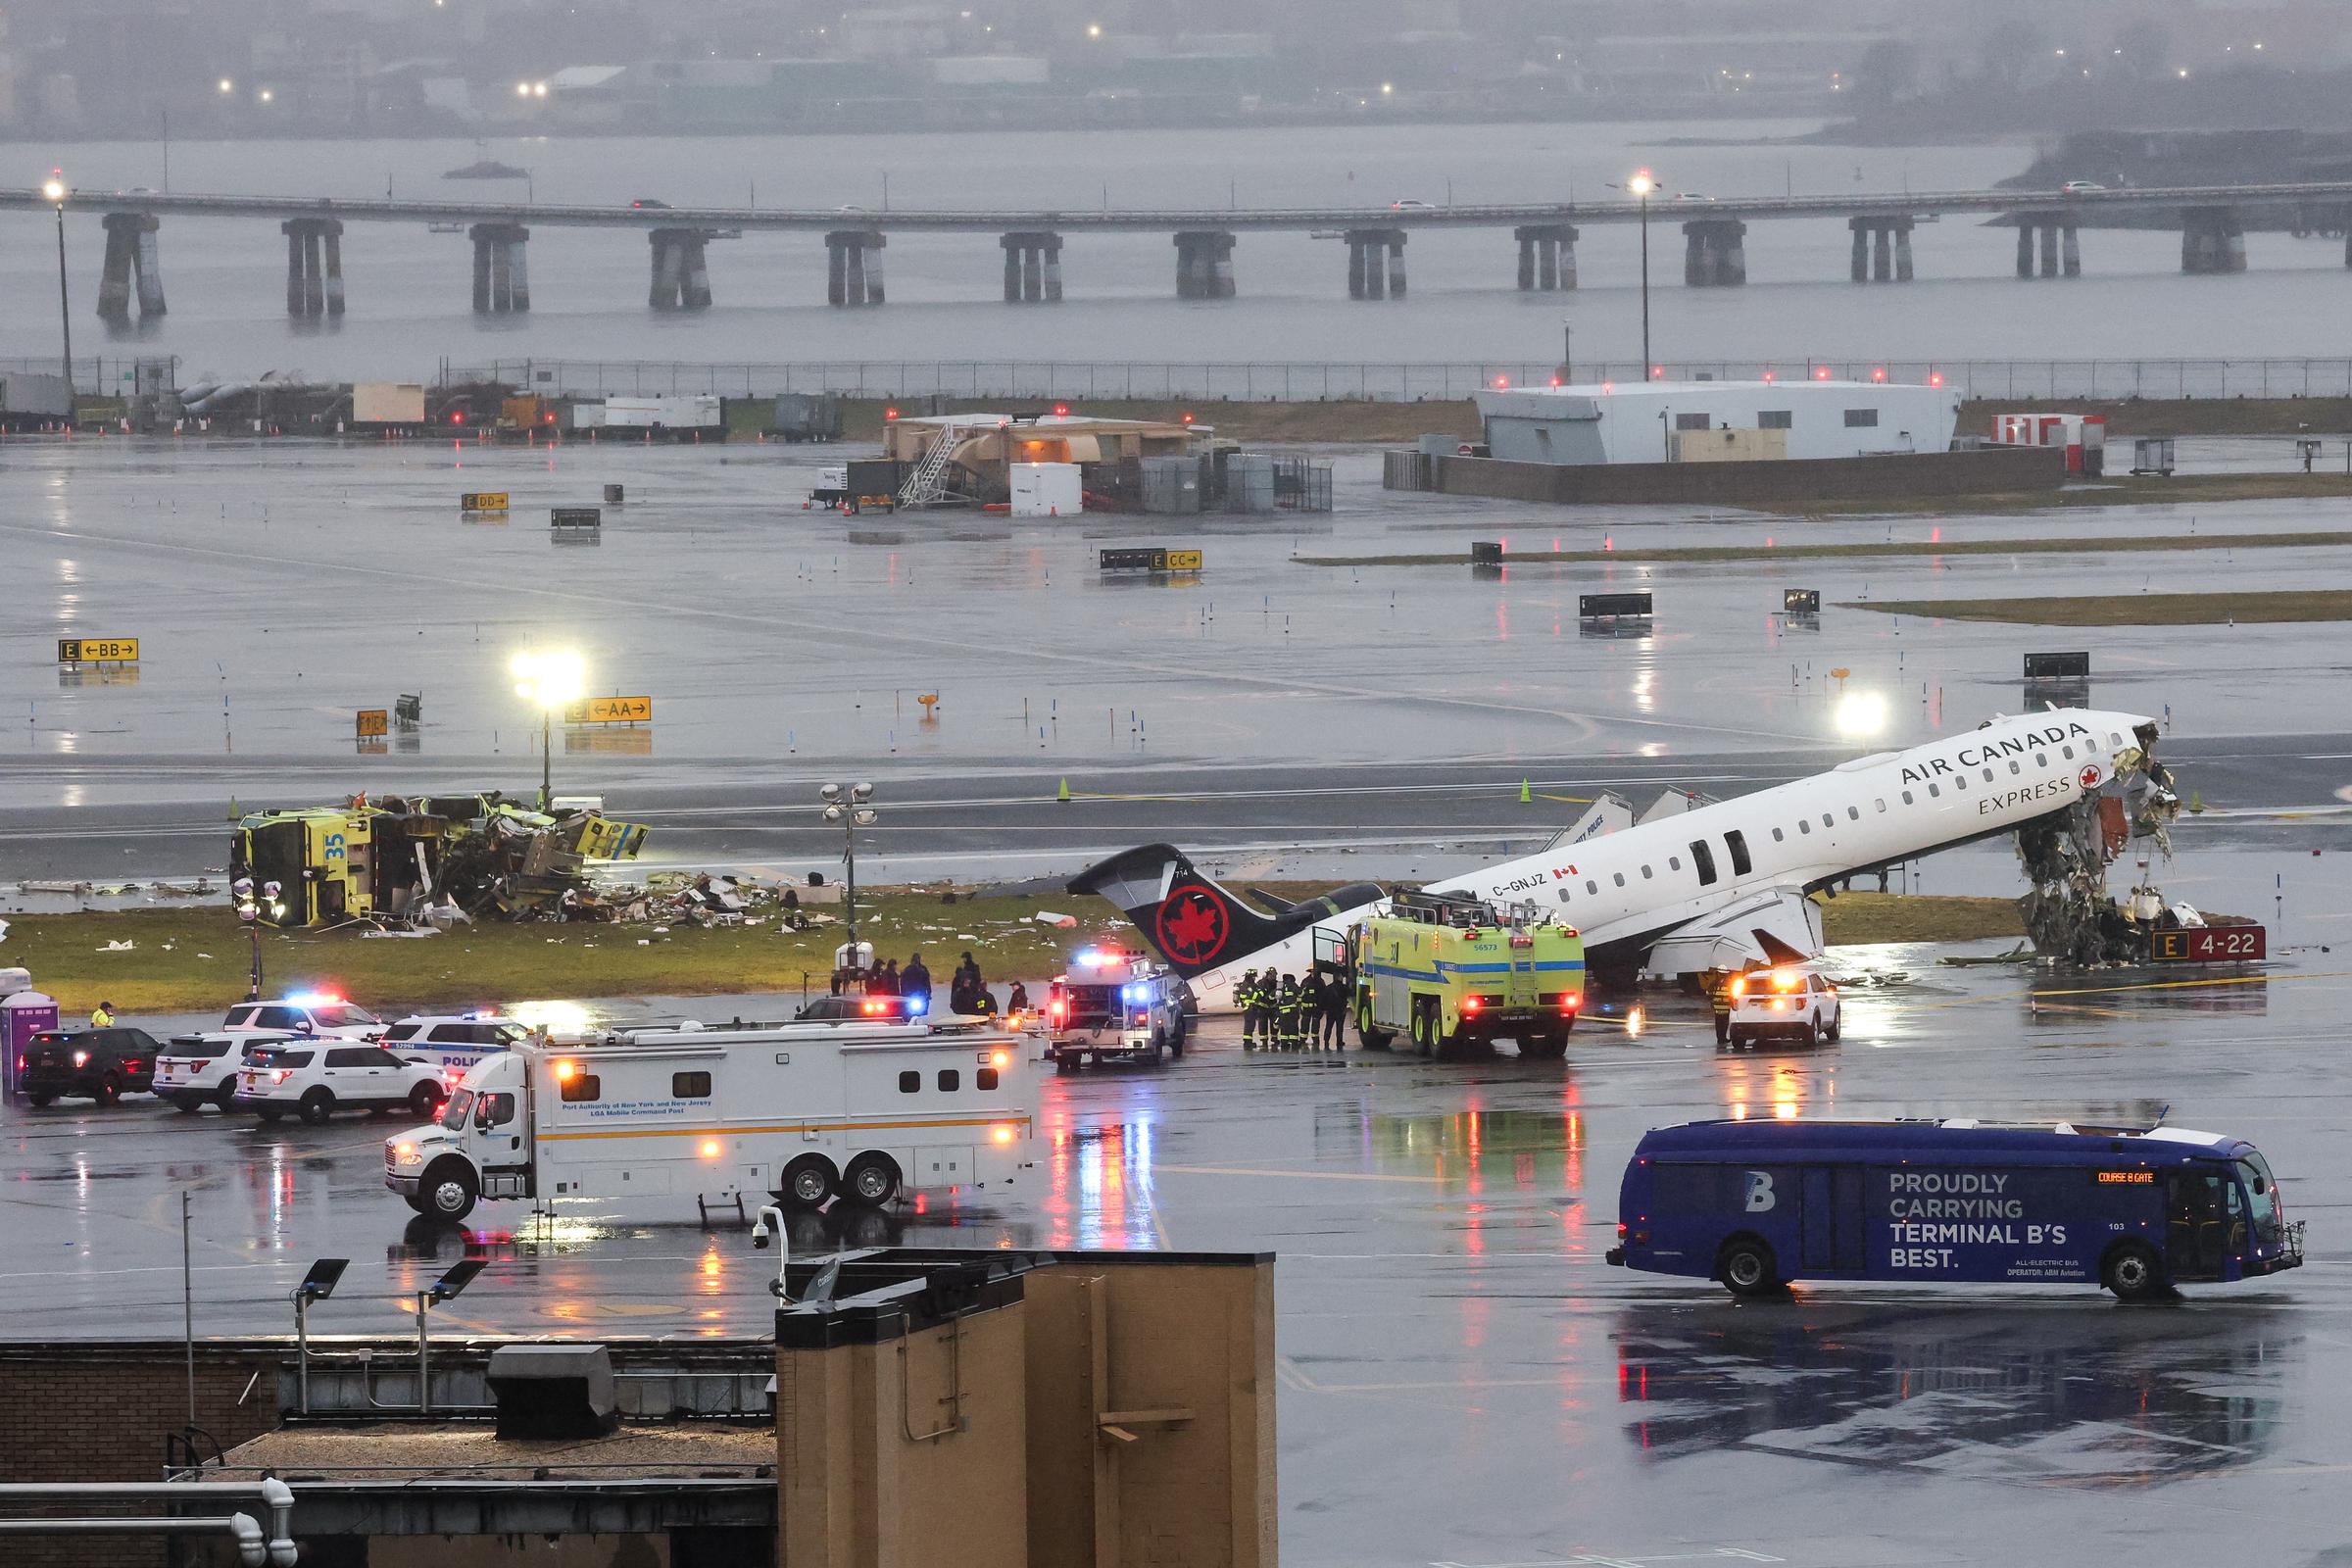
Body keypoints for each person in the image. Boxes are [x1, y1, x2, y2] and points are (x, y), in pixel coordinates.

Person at [1320, 963, 1349, 1050]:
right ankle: (1339, 1042)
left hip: (1330, 1011)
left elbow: (1323, 999)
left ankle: (1326, 1040)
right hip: (1340, 1011)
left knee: (1328, 1026)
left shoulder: (1328, 988)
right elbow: (1352, 993)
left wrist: (1324, 1009)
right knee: (1339, 1028)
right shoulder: (1344, 988)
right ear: (1339, 977)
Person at [1299, 969, 1328, 1051]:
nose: (1314, 973)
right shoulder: (1305, 981)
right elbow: (1301, 994)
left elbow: (1324, 995)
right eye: (1312, 971)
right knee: (1304, 1025)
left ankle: (1315, 1040)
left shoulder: (1320, 982)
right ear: (1310, 972)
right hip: (1306, 1008)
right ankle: (1302, 1039)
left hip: (1316, 1008)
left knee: (1315, 1025)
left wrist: (1323, 1007)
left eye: (1315, 971)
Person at [1276, 975, 1303, 1051]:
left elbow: (1273, 996)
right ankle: (1294, 1044)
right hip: (1292, 1010)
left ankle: (1284, 1044)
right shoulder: (1292, 985)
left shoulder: (1280, 987)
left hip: (1282, 1011)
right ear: (1291, 979)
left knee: (1284, 1028)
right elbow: (1301, 993)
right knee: (1293, 1027)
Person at [1238, 969, 1261, 1050]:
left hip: (1248, 1007)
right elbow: (1254, 996)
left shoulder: (1244, 985)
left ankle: (1248, 1041)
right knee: (1250, 1025)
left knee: (1250, 1025)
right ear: (1250, 977)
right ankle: (1247, 1043)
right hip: (1250, 1008)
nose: (1255, 978)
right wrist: (1260, 992)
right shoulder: (1249, 986)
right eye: (1254, 977)